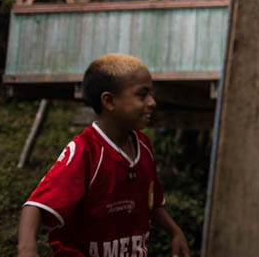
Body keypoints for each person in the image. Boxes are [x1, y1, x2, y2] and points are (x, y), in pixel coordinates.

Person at [17, 54, 189, 257]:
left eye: (151, 94)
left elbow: (153, 202)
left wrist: (174, 231)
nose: (152, 102)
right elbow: (35, 206)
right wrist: (27, 249)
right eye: (142, 95)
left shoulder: (143, 145)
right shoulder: (86, 151)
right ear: (109, 101)